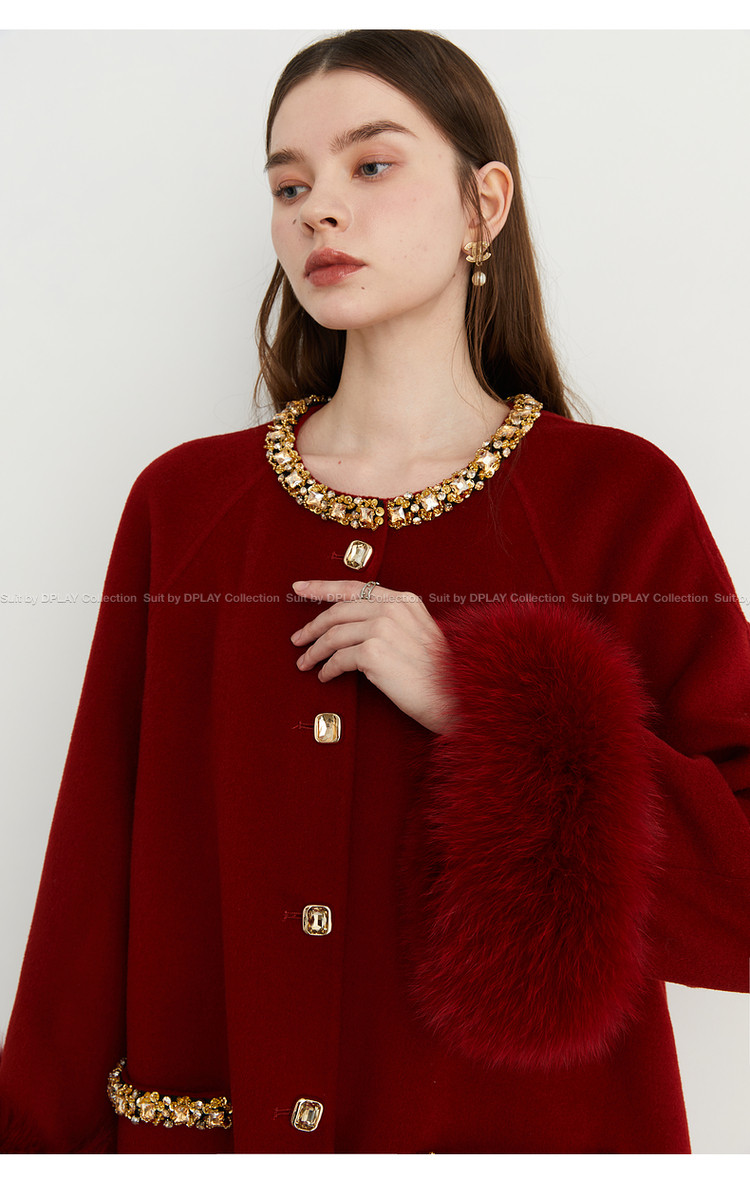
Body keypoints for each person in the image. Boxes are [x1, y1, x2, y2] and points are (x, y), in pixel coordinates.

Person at [1, 28, 749, 1155]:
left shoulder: (613, 501)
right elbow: (90, 882)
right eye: (289, 185)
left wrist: (488, 708)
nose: (320, 210)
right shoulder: (186, 508)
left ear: (484, 205)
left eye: (372, 164)